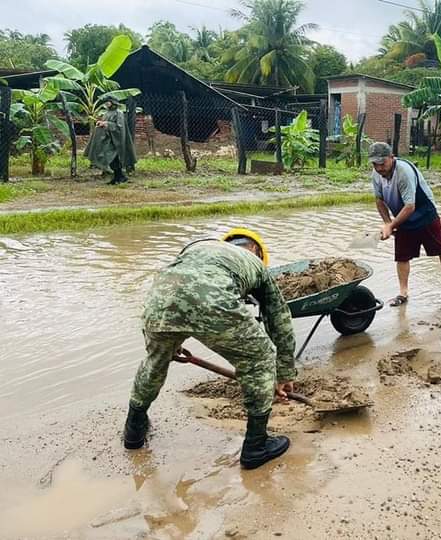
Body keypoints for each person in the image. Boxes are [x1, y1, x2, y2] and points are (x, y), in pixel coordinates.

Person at [123, 227, 297, 470]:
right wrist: (285, 371)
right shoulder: (255, 264)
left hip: (160, 297)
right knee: (260, 357)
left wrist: (167, 345)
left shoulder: (199, 246)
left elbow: (183, 287)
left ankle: (134, 431)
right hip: (212, 301)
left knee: (155, 361)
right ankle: (257, 445)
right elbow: (279, 319)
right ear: (256, 250)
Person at [369, 142, 441, 307]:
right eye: (375, 164)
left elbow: (410, 205)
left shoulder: (403, 172)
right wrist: (387, 223)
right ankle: (403, 293)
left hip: (424, 213)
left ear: (392, 158)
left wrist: (391, 226)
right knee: (402, 256)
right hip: (403, 217)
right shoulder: (376, 175)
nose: (379, 168)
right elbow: (379, 200)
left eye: (382, 163)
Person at [84, 97, 136, 185]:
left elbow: (119, 127)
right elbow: (105, 124)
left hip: (115, 141)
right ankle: (118, 177)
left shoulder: (118, 113)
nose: (107, 103)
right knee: (111, 158)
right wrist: (100, 123)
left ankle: (120, 177)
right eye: (106, 102)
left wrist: (106, 124)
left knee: (113, 157)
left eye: (109, 102)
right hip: (107, 139)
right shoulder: (107, 113)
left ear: (113, 103)